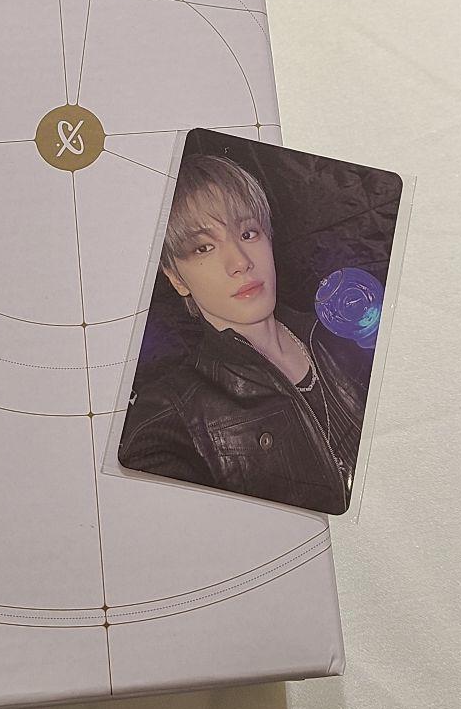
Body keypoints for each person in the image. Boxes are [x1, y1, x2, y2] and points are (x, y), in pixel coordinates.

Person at [117, 152, 368, 514]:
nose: (240, 262)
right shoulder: (173, 415)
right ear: (176, 278)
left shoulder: (337, 332)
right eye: (203, 247)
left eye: (248, 233)